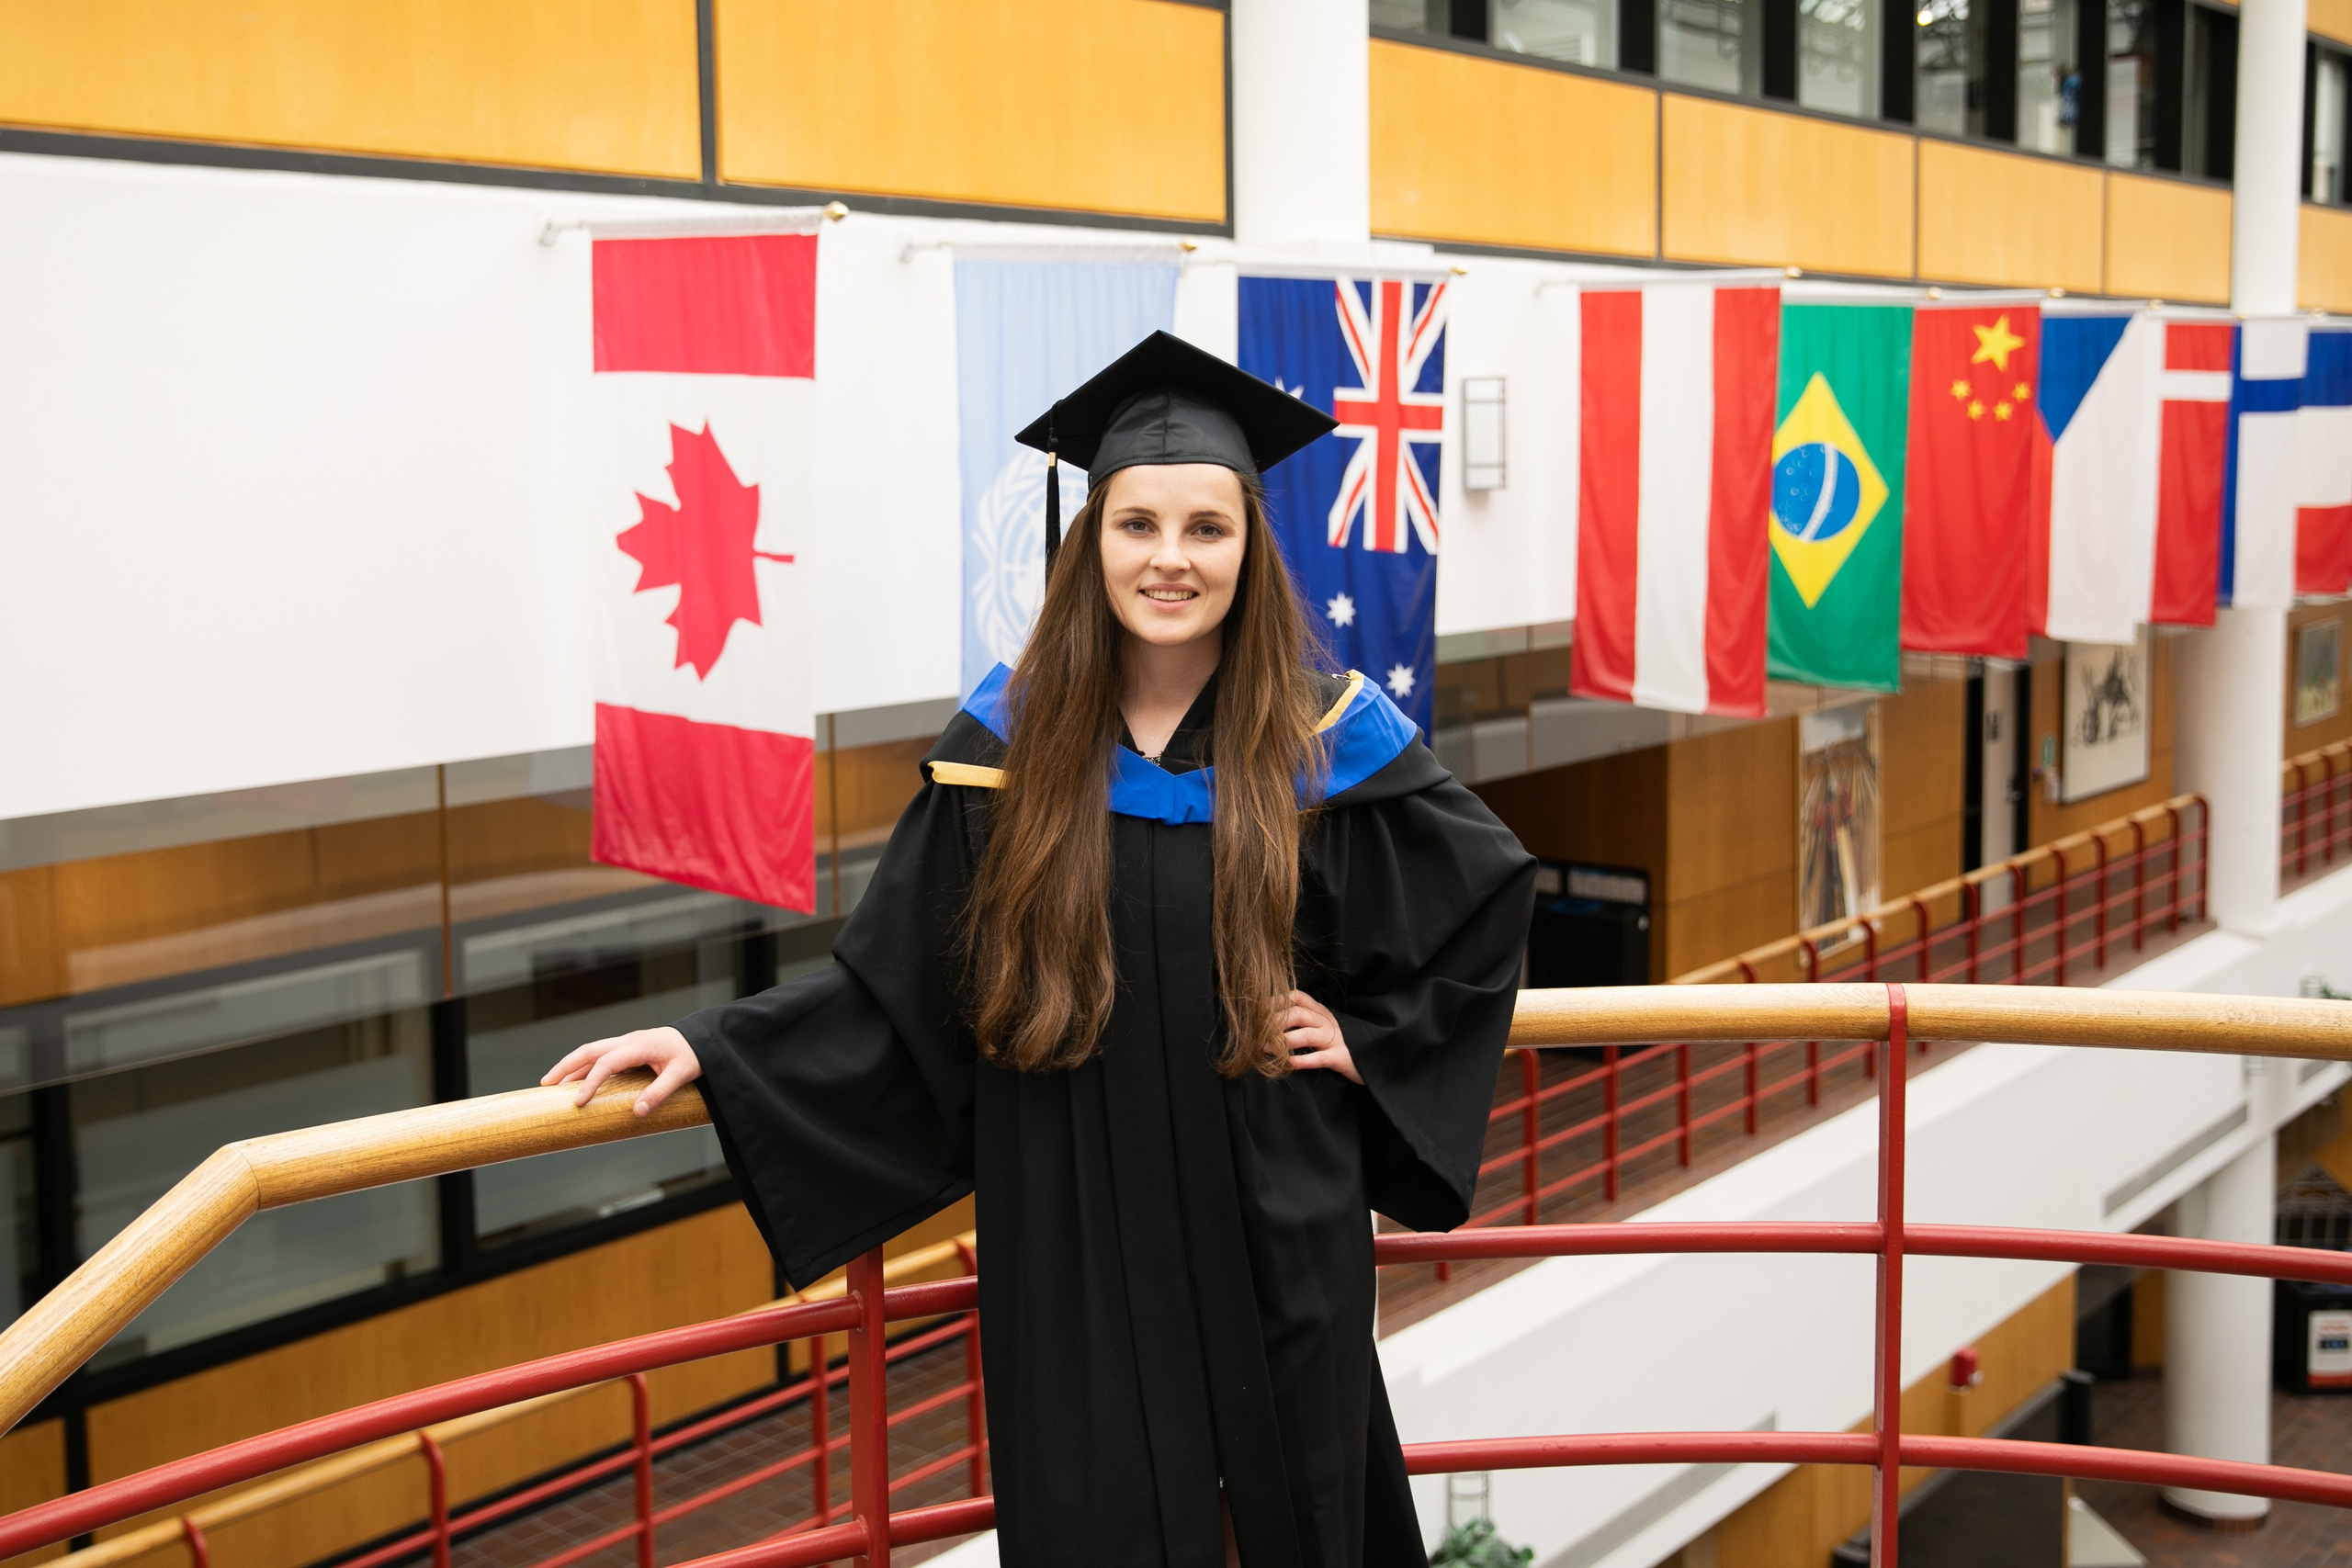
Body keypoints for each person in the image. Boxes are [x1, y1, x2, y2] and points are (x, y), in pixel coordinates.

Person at [544, 332, 1537, 1568]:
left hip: (1276, 1207)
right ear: (1092, 539)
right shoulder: (1003, 755)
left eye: (1206, 529)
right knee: (1096, 1503)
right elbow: (902, 989)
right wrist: (711, 1044)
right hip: (1075, 1217)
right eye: (1138, 526)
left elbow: (1481, 901)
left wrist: (1373, 1038)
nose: (1171, 559)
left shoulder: (1326, 741)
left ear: (1249, 546)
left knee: (1302, 1502)